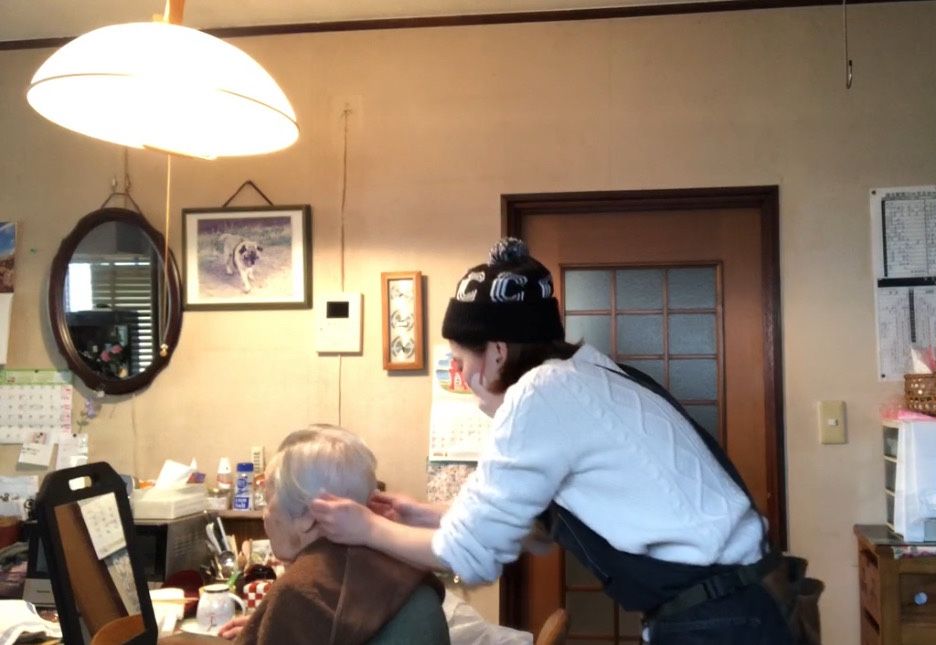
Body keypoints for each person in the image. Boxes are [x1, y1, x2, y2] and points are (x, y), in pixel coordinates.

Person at [310, 239, 793, 644]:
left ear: (497, 353)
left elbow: (470, 557)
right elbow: (531, 527)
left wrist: (364, 528)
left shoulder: (541, 393)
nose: (461, 375)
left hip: (721, 620)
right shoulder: (586, 373)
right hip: (745, 603)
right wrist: (419, 512)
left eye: (461, 360)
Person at [220, 425, 450, 645]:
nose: (265, 515)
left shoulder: (299, 593)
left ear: (311, 516)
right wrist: (271, 625)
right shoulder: (398, 563)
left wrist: (281, 623)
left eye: (268, 499)